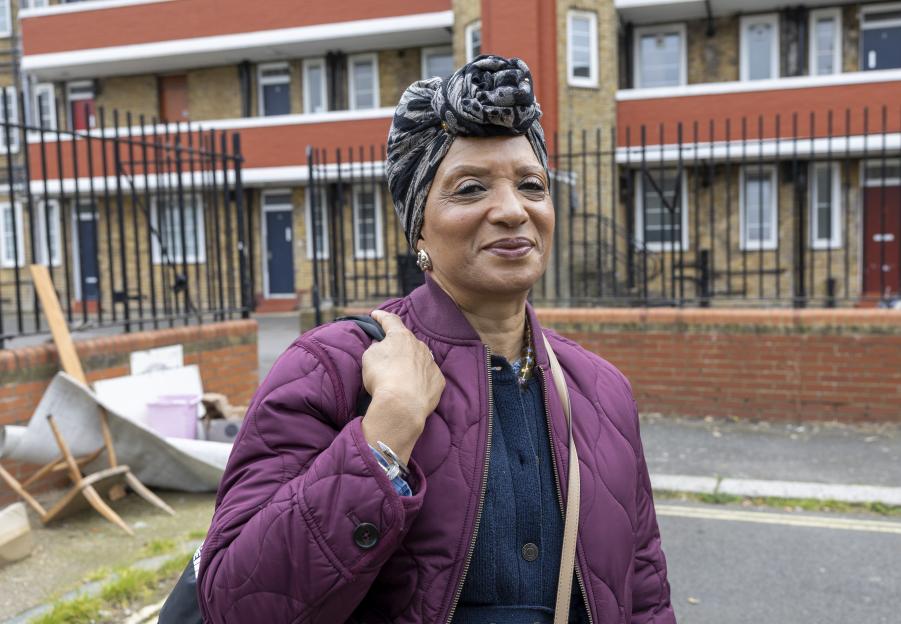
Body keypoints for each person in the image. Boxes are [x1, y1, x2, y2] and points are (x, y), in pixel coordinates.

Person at [197, 55, 675, 624]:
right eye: (471, 188)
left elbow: (644, 595)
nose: (512, 209)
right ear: (418, 222)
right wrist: (384, 440)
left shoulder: (603, 390)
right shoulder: (330, 370)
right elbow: (235, 603)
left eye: (531, 184)